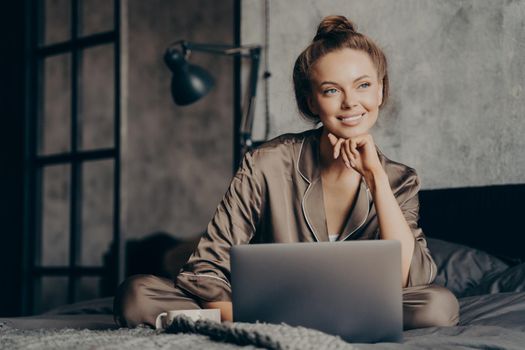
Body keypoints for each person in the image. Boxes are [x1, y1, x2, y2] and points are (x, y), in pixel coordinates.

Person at [114, 15, 460, 330]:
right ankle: (282, 322)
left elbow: (409, 279)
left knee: (438, 305)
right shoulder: (266, 163)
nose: (351, 102)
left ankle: (259, 324)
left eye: (363, 85)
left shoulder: (400, 180)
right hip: (266, 308)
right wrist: (244, 317)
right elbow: (208, 264)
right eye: (331, 90)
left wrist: (376, 179)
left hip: (359, 305)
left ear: (382, 90)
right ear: (311, 102)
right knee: (136, 295)